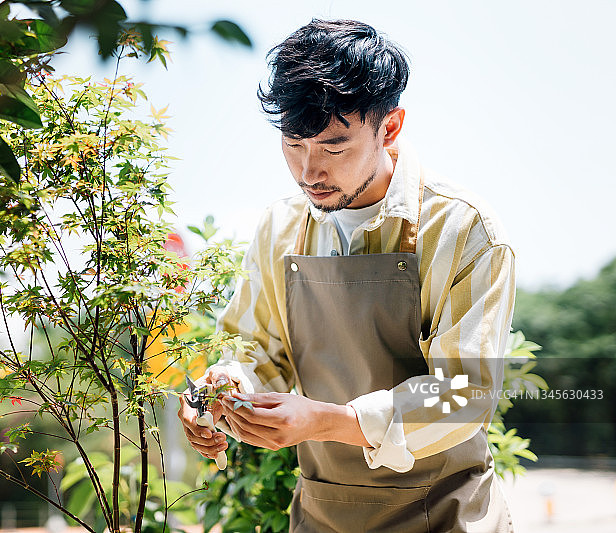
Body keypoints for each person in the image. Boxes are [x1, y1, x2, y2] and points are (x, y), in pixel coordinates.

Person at [178, 19, 515, 533]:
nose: (309, 171)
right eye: (294, 145)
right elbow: (254, 351)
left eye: (334, 148)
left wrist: (325, 421)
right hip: (322, 514)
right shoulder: (280, 226)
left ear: (391, 127)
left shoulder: (462, 227)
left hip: (445, 512)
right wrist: (226, 395)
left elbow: (466, 393)